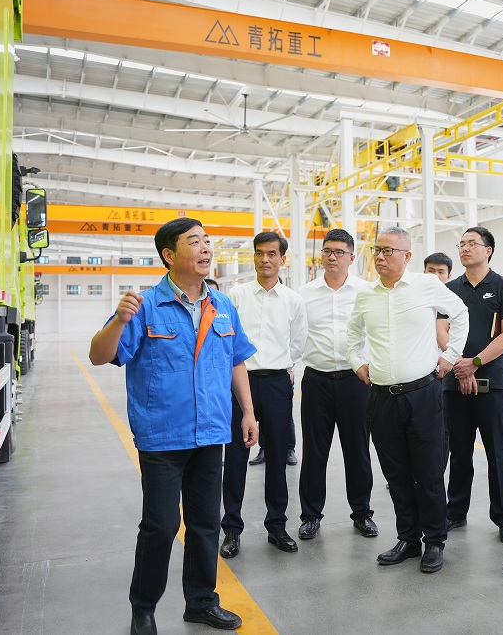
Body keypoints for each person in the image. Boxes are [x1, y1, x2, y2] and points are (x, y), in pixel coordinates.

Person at [89, 218, 257, 635]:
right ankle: (143, 610)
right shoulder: (146, 305)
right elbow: (99, 355)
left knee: (205, 523)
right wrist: (118, 321)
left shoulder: (222, 304)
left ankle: (201, 602)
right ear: (169, 255)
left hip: (210, 432)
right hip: (162, 436)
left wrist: (248, 412)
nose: (206, 248)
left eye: (207, 241)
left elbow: (236, 359)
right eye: (194, 242)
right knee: (161, 526)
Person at [347, 227, 469, 573]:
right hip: (382, 397)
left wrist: (451, 357)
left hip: (423, 394)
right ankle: (408, 538)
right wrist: (357, 362)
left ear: (407, 256)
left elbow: (460, 314)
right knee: (396, 472)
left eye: (389, 250)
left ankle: (435, 540)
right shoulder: (366, 295)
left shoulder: (426, 285)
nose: (380, 257)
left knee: (428, 472)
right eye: (377, 250)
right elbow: (353, 333)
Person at [220, 231, 308, 557]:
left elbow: (297, 343)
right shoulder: (236, 295)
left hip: (277, 384)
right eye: (259, 253)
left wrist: (281, 365)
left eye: (272, 254)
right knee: (236, 458)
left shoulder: (293, 300)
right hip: (239, 382)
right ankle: (232, 529)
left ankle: (277, 526)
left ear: (282, 259)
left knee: (276, 457)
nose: (265, 259)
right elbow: (227, 339)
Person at [297, 229, 378, 541]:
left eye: (339, 252)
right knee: (314, 452)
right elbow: (294, 333)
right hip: (316, 380)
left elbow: (377, 332)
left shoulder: (366, 291)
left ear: (352, 257)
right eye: (327, 251)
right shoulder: (304, 293)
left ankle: (362, 513)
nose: (332, 257)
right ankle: (310, 516)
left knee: (357, 450)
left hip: (355, 381)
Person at [441, 226, 503, 545]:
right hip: (454, 382)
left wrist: (473, 363)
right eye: (461, 244)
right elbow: (441, 329)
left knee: (498, 452)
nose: (464, 248)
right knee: (459, 452)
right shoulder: (449, 289)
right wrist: (460, 366)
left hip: (493, 383)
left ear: (488, 250)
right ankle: (455, 511)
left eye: (471, 243)